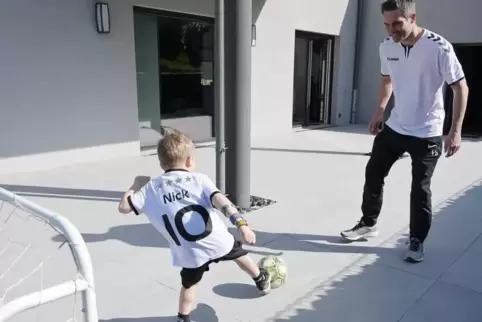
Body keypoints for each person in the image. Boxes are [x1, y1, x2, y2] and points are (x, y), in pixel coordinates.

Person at [341, 0, 469, 263]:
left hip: (428, 131)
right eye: (386, 24)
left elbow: (460, 88)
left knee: (419, 189)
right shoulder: (386, 46)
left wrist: (455, 130)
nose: (391, 31)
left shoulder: (439, 47)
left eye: (396, 24)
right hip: (396, 125)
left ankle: (416, 239)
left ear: (412, 17)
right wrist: (379, 111)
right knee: (373, 172)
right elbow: (387, 80)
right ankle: (368, 223)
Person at [118, 131, 270, 322]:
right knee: (240, 255)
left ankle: (183, 318)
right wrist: (241, 224)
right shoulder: (199, 179)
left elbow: (123, 207)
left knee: (189, 286)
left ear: (161, 163)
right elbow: (221, 202)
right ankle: (261, 280)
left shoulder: (151, 189)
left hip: (189, 254)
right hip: (218, 241)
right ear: (190, 161)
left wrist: (136, 185)